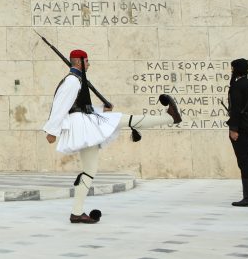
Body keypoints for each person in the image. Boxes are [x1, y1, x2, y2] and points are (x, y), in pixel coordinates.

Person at [43, 49, 182, 224]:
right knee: (126, 119)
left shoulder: (78, 79)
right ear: (78, 62)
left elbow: (82, 106)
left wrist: (102, 109)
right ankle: (170, 117)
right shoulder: (72, 81)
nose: (89, 64)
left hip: (86, 122)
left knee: (89, 171)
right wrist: (51, 131)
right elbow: (59, 107)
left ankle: (77, 213)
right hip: (82, 125)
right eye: (86, 61)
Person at [227, 57, 248, 207]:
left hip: (240, 128)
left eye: (233, 68)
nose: (232, 71)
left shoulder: (237, 87)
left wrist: (233, 129)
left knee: (245, 162)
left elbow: (235, 110)